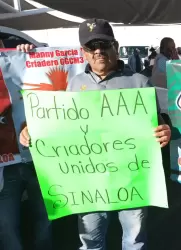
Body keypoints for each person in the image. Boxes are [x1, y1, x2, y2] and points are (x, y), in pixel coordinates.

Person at [18, 18, 171, 250]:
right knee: (90, 242)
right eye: (91, 46)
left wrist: (164, 132)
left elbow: (158, 125)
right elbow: (60, 126)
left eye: (104, 44)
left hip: (132, 180)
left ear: (116, 47)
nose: (98, 51)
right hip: (88, 183)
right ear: (84, 53)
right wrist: (33, 131)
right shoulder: (74, 84)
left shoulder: (140, 82)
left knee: (134, 241)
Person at [0, 41, 52, 250]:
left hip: (38, 159)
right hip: (6, 166)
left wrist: (31, 55)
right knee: (5, 224)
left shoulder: (21, 60)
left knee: (45, 219)